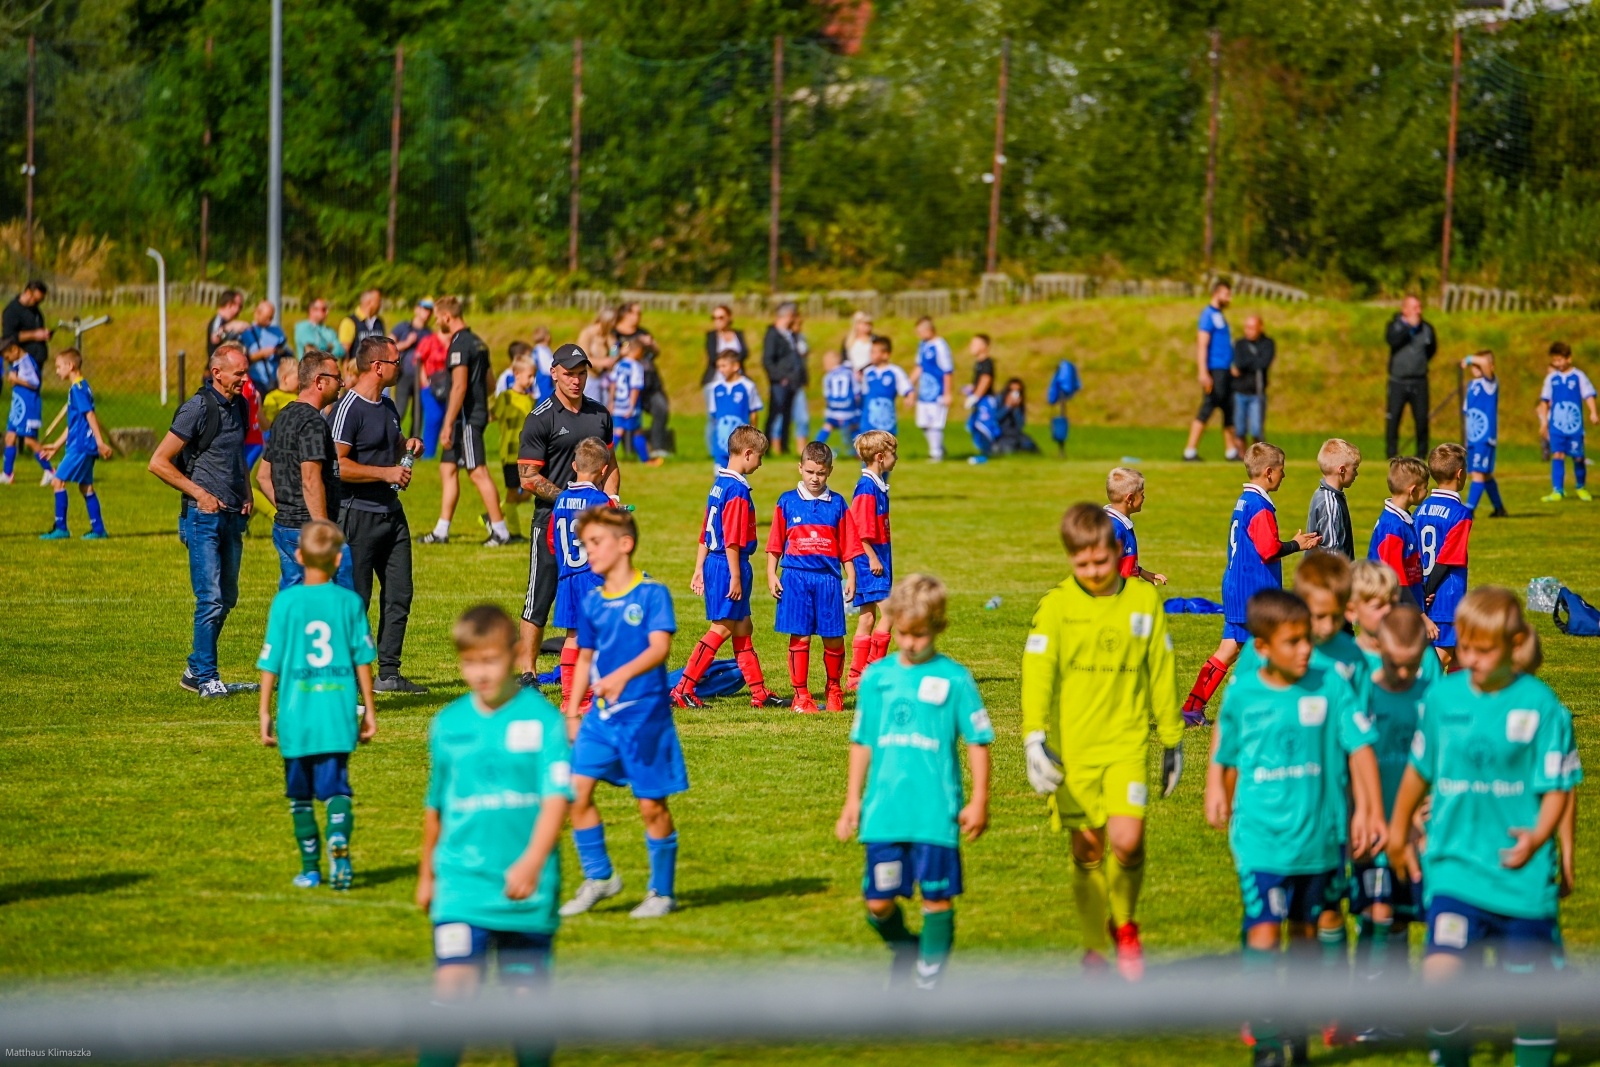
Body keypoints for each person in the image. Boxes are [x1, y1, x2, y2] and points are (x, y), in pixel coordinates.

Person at [1386, 587, 1580, 1067]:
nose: (1468, 657)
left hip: (1521, 872)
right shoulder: (1443, 697)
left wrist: (1541, 838)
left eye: (1483, 649)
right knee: (1442, 978)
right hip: (1454, 864)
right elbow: (1418, 771)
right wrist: (1399, 829)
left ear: (1515, 645)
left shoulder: (1541, 707)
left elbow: (1558, 788)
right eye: (1464, 645)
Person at [1205, 588, 1384, 1067]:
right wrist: (1216, 787)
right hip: (1261, 840)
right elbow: (1226, 744)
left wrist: (1368, 809)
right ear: (1262, 647)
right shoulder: (1245, 692)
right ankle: (1266, 1041)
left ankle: (1300, 1032)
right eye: (1293, 642)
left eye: (1307, 639)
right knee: (1263, 932)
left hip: (1319, 841)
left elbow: (1361, 746)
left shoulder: (1331, 685)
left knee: (1304, 938)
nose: (1306, 649)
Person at [1022, 502, 1182, 979]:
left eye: (1100, 561)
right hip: (1075, 753)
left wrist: (1172, 739)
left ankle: (1125, 926)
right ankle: (1094, 947)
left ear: (1117, 551)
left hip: (1127, 745)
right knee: (1088, 850)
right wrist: (1033, 738)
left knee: (1128, 842)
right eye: (1081, 564)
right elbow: (1037, 674)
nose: (1092, 572)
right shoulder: (1056, 606)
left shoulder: (1143, 602)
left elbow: (1162, 669)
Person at [416, 603, 573, 1067]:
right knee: (452, 994)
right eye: (470, 662)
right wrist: (427, 873)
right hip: (462, 884)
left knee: (526, 1004)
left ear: (513, 653)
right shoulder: (448, 724)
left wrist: (531, 861)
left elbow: (556, 799)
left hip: (527, 890)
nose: (480, 673)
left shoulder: (543, 721)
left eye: (491, 660)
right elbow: (436, 807)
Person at [835, 573, 992, 990]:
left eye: (919, 635)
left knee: (937, 898)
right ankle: (907, 947)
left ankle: (928, 978)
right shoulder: (877, 678)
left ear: (938, 628)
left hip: (935, 813)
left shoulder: (955, 678)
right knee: (878, 902)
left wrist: (979, 800)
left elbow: (978, 741)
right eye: (902, 633)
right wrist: (852, 800)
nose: (908, 642)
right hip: (884, 812)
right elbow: (862, 740)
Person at [560, 506, 684, 920]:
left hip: (644, 717)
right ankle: (600, 878)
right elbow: (584, 657)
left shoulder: (652, 594)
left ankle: (661, 893)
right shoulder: (593, 600)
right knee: (575, 793)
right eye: (584, 544)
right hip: (599, 717)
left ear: (624, 544)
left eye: (595, 543)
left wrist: (619, 677)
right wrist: (572, 711)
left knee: (651, 807)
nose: (587, 552)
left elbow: (659, 648)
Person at [256, 519, 376, 890]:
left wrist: (263, 710)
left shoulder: (286, 602)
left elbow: (270, 660)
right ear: (339, 560)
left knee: (300, 796)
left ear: (298, 555)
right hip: (337, 713)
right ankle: (339, 840)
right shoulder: (350, 602)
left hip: (296, 715)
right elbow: (362, 658)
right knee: (337, 788)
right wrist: (369, 708)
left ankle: (310, 869)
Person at [1180, 442, 1321, 726]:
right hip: (1253, 591)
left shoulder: (1244, 500)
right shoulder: (1260, 506)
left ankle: (1192, 708)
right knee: (1267, 651)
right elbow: (1268, 549)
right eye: (1282, 471)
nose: (1284, 476)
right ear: (1269, 472)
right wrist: (1296, 544)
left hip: (1236, 585)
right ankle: (1264, 710)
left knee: (1229, 650)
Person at [148, 342, 253, 699]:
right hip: (202, 517)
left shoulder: (242, 406)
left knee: (227, 596)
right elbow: (158, 461)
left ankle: (195, 669)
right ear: (217, 373)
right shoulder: (197, 407)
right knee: (209, 597)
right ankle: (207, 676)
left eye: (246, 371)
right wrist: (200, 494)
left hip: (233, 516)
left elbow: (237, 455)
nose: (245, 378)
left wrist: (248, 492)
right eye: (239, 372)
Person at [330, 335, 428, 695]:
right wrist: (386, 474)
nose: (400, 367)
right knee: (357, 599)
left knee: (400, 593)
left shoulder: (387, 406)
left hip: (392, 513)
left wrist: (408, 446)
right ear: (377, 366)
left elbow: (390, 445)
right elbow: (337, 466)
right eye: (396, 361)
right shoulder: (348, 408)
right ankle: (353, 675)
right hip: (357, 516)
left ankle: (389, 672)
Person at [517, 344, 617, 687]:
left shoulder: (600, 414)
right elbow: (527, 477)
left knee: (594, 594)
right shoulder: (541, 417)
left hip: (595, 529)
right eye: (570, 373)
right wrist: (572, 500)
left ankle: (590, 667)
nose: (576, 380)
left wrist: (610, 499)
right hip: (552, 522)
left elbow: (612, 465)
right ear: (554, 373)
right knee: (539, 597)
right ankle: (528, 672)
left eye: (582, 373)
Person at [1349, 604, 1432, 1005]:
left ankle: (1395, 1005)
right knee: (1373, 912)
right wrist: (1358, 813)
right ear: (1379, 649)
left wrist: (1429, 809)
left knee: (1400, 915)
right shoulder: (1363, 695)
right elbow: (1350, 758)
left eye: (1411, 667)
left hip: (1414, 828)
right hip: (1373, 823)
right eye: (1395, 665)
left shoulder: (1431, 699)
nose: (1403, 675)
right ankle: (1366, 1002)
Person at [674, 425, 789, 709]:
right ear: (747, 453)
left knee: (743, 627)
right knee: (722, 628)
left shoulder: (719, 484)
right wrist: (735, 577)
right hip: (729, 565)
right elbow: (733, 540)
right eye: (759, 457)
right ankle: (683, 689)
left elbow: (705, 530)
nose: (760, 463)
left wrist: (699, 567)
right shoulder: (737, 490)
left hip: (717, 561)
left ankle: (759, 693)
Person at [767, 440, 862, 714]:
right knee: (801, 638)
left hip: (829, 580)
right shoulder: (787, 501)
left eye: (820, 473)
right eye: (809, 472)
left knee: (833, 637)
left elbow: (849, 546)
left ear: (830, 471)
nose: (815, 478)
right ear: (800, 468)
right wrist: (771, 574)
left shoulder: (838, 504)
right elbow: (775, 543)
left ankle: (834, 690)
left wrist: (852, 576)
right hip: (795, 578)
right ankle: (801, 695)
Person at [256, 350, 353, 589]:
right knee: (337, 600)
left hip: (284, 527)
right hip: (307, 532)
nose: (342, 383)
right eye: (337, 378)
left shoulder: (284, 416)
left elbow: (262, 476)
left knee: (296, 601)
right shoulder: (312, 423)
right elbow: (311, 479)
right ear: (320, 381)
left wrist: (287, 509)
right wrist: (322, 530)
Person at [422, 296, 509, 546]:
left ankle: (500, 530)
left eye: (438, 318)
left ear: (447, 317)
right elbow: (490, 384)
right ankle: (441, 530)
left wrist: (448, 423)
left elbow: (459, 386)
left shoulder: (459, 345)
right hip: (472, 414)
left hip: (466, 419)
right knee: (447, 468)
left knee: (477, 471)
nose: (437, 322)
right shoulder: (479, 342)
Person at [547, 438, 615, 709]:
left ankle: (569, 700)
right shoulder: (600, 501)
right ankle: (593, 695)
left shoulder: (561, 499)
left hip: (567, 579)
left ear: (574, 466)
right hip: (593, 580)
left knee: (572, 637)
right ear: (603, 471)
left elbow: (552, 540)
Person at [37, 347, 112, 540]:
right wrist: (56, 445)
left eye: (58, 366)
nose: (56, 371)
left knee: (57, 481)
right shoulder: (83, 386)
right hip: (83, 445)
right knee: (85, 486)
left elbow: (90, 415)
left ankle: (61, 528)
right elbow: (75, 423)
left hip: (81, 446)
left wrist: (100, 442)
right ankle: (98, 529)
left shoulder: (77, 389)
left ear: (70, 366)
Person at [847, 430, 898, 689]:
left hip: (877, 561)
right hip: (871, 563)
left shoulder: (876, 485)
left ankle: (856, 676)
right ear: (880, 457)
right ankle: (874, 670)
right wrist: (873, 559)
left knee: (867, 617)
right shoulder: (867, 488)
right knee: (889, 613)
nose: (896, 458)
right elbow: (858, 530)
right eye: (893, 454)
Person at [1416, 443, 1473, 670]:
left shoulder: (1421, 508)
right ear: (1460, 475)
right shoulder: (1460, 513)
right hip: (1446, 595)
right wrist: (1428, 590)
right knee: (1441, 659)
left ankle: (1457, 703)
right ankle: (1419, 700)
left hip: (1426, 589)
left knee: (1462, 656)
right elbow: (1448, 558)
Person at [1348, 559, 1445, 689]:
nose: (1388, 611)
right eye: (1378, 606)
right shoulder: (1345, 660)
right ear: (1352, 611)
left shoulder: (1423, 656)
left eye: (1393, 603)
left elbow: (1438, 704)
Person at [1183, 280, 1241, 462]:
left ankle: (1231, 451)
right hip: (1214, 369)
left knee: (1228, 408)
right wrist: (1203, 372)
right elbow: (1202, 344)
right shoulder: (1207, 315)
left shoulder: (1220, 316)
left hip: (1225, 370)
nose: (1229, 298)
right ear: (1217, 293)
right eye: (1227, 294)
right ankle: (1190, 451)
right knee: (1208, 407)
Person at [1368, 455, 1431, 615]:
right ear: (1413, 490)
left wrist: (1420, 591)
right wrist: (1421, 615)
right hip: (1394, 613)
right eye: (1426, 487)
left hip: (1407, 604)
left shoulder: (1402, 520)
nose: (1428, 491)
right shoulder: (1392, 527)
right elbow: (1395, 579)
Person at [1537, 340, 1598, 502]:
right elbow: (1544, 401)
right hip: (1556, 426)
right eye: (1554, 360)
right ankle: (1557, 490)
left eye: (1559, 360)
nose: (1557, 363)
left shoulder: (1579, 376)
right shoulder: (1551, 379)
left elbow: (1589, 395)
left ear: (1568, 358)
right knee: (1558, 454)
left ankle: (1581, 487)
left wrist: (1593, 412)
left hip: (1574, 426)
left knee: (1578, 456)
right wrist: (1544, 422)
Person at [489, 347, 538, 543]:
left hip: (526, 453)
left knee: (528, 492)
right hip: (510, 454)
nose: (532, 380)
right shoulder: (505, 397)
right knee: (512, 493)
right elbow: (492, 414)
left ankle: (492, 513)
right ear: (516, 374)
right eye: (529, 376)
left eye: (534, 376)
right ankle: (515, 533)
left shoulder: (529, 400)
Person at [1385, 293, 1440, 459]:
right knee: (1393, 419)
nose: (1418, 311)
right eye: (1415, 308)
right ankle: (1391, 454)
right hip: (1398, 381)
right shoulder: (1394, 326)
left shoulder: (1427, 329)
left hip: (1419, 382)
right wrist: (1408, 328)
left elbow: (1432, 349)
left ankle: (1422, 454)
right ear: (1405, 309)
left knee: (1422, 419)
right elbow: (1392, 340)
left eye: (1420, 307)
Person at [2, 332, 54, 485]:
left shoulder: (27, 362)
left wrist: (17, 379)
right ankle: (7, 473)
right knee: (10, 437)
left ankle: (50, 471)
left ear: (15, 350)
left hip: (28, 406)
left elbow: (35, 383)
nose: (7, 361)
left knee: (30, 441)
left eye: (7, 357)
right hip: (17, 407)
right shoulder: (16, 363)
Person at [1460, 350, 1507, 516]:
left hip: (1485, 437)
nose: (1476, 367)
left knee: (1478, 473)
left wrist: (1468, 357)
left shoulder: (1490, 384)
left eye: (1479, 364)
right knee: (1484, 474)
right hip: (1473, 437)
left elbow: (1485, 364)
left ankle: (1469, 510)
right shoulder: (1472, 385)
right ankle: (1499, 508)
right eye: (1474, 365)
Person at [1103, 467, 1166, 586]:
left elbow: (1122, 559)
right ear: (1130, 498)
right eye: (1142, 494)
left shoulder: (1120, 523)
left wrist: (1141, 572)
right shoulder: (1113, 529)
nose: (1144, 498)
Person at [762, 301, 808, 454]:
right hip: (780, 382)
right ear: (787, 316)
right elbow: (768, 360)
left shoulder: (790, 334)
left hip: (793, 381)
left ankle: (784, 446)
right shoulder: (773, 334)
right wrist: (779, 377)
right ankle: (766, 447)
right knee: (775, 414)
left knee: (787, 415)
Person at [705, 349, 764, 468]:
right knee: (719, 476)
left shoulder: (747, 386)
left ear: (735, 366)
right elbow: (714, 416)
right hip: (720, 442)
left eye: (723, 366)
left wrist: (752, 436)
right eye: (718, 366)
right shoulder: (716, 388)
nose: (720, 370)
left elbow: (754, 413)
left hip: (740, 442)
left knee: (738, 476)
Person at [1306, 438, 1361, 558]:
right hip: (1330, 573)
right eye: (1355, 469)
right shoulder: (1330, 503)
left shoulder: (1323, 494)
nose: (1356, 474)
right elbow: (1332, 550)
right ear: (1342, 470)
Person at [911, 317, 954, 462]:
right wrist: (909, 385)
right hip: (924, 392)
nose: (918, 335)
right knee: (923, 423)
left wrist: (947, 393)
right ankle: (939, 447)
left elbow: (947, 371)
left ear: (928, 330)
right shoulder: (922, 345)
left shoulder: (940, 346)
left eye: (920, 331)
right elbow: (919, 367)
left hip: (937, 392)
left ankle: (936, 453)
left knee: (935, 423)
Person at [608, 338, 655, 466]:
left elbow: (613, 384)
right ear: (638, 351)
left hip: (618, 404)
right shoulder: (636, 367)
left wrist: (611, 401)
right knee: (633, 431)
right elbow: (635, 388)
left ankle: (605, 458)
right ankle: (645, 459)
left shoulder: (618, 365)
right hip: (629, 405)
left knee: (620, 430)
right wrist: (632, 406)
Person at [390, 298, 433, 436]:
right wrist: (407, 343)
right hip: (403, 375)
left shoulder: (429, 334)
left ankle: (413, 448)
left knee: (418, 414)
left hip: (420, 379)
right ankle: (390, 440)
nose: (427, 313)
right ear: (417, 309)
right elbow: (387, 347)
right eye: (425, 309)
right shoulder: (403, 327)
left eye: (430, 310)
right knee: (399, 411)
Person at [1231, 314, 1274, 448]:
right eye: (1246, 327)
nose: (1248, 331)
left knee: (1256, 430)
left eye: (1252, 328)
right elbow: (1239, 361)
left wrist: (1245, 364)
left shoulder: (1267, 343)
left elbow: (1263, 363)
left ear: (1260, 328)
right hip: (1240, 392)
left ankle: (1258, 457)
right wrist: (1253, 361)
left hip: (1257, 392)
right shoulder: (1240, 344)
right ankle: (1242, 458)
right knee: (1240, 430)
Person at [859, 335, 911, 438]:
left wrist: (910, 396)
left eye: (874, 352)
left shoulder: (895, 371)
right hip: (868, 418)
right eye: (871, 352)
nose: (871, 355)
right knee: (868, 447)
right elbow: (863, 394)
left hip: (887, 418)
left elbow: (907, 388)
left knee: (887, 447)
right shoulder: (868, 372)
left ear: (885, 355)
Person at [239, 300, 289, 394]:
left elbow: (286, 352)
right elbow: (243, 359)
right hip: (256, 379)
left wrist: (278, 351)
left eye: (271, 318)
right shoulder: (247, 332)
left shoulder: (277, 331)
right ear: (257, 313)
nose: (269, 321)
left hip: (275, 379)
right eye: (266, 318)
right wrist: (261, 354)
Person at [815, 350, 861, 450]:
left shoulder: (828, 377)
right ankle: (861, 451)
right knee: (854, 428)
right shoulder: (849, 373)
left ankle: (815, 448)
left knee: (827, 426)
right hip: (849, 409)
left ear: (830, 363)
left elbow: (827, 395)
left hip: (834, 409)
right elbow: (857, 391)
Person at [416, 319, 449, 458]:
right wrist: (424, 381)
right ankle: (428, 454)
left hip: (449, 385)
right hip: (430, 385)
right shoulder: (429, 340)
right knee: (434, 417)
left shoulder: (456, 341)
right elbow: (419, 361)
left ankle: (451, 453)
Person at [575, 307, 619, 405]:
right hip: (589, 377)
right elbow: (582, 358)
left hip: (603, 378)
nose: (614, 325)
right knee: (593, 410)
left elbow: (614, 352)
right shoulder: (587, 334)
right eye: (613, 322)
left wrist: (616, 355)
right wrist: (603, 362)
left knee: (604, 411)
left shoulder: (609, 336)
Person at [702, 305, 749, 385]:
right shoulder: (711, 336)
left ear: (729, 317)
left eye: (721, 318)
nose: (717, 321)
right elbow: (713, 357)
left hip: (738, 377)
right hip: (716, 379)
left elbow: (745, 352)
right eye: (714, 318)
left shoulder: (738, 334)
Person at [992, 377, 1038, 456]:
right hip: (1001, 433)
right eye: (1011, 390)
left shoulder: (1019, 405)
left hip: (1015, 434)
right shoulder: (998, 400)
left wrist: (1016, 408)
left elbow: (1020, 425)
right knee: (1008, 448)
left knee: (1030, 445)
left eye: (1017, 391)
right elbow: (995, 419)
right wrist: (1007, 407)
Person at [1047, 357, 1082, 457]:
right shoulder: (1065, 371)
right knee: (1060, 423)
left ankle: (1061, 450)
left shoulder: (1062, 372)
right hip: (1061, 405)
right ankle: (1061, 450)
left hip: (1062, 404)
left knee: (1061, 423)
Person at [338, 289, 386, 360]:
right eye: (378, 301)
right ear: (369, 302)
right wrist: (346, 370)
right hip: (357, 369)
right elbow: (345, 352)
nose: (380, 304)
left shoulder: (379, 322)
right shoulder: (349, 322)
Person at [259, 355, 299, 434]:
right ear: (285, 378)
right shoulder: (273, 397)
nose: (301, 381)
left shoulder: (300, 395)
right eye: (298, 378)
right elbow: (266, 425)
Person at [204, 288, 246, 358]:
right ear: (229, 304)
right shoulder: (218, 320)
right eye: (239, 306)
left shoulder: (227, 322)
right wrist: (228, 327)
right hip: (218, 366)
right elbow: (215, 338)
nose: (239, 310)